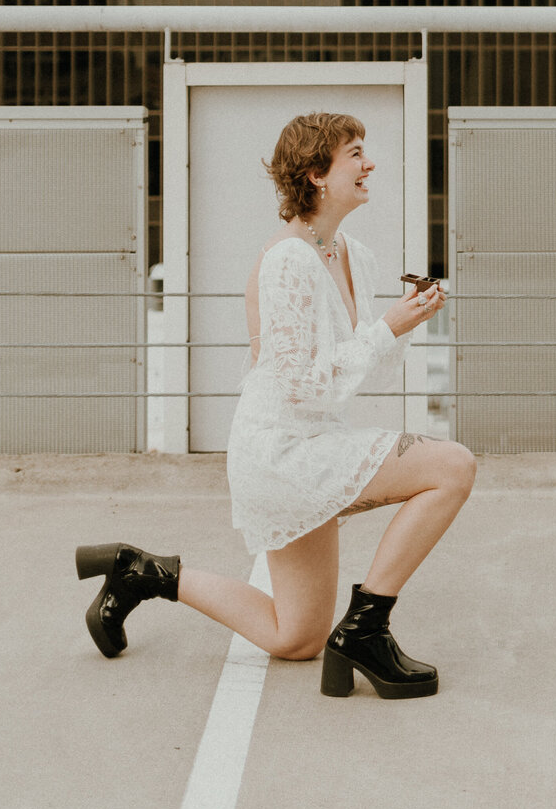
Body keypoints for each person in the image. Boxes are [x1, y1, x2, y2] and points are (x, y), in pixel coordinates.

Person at [75, 111, 476, 701]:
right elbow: (299, 387)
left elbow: (364, 367)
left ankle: (142, 572)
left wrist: (405, 323)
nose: (371, 164)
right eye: (356, 154)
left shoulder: (349, 253)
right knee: (453, 466)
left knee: (296, 637)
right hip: (282, 451)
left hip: (310, 443)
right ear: (317, 174)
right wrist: (387, 328)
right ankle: (368, 631)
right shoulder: (288, 260)